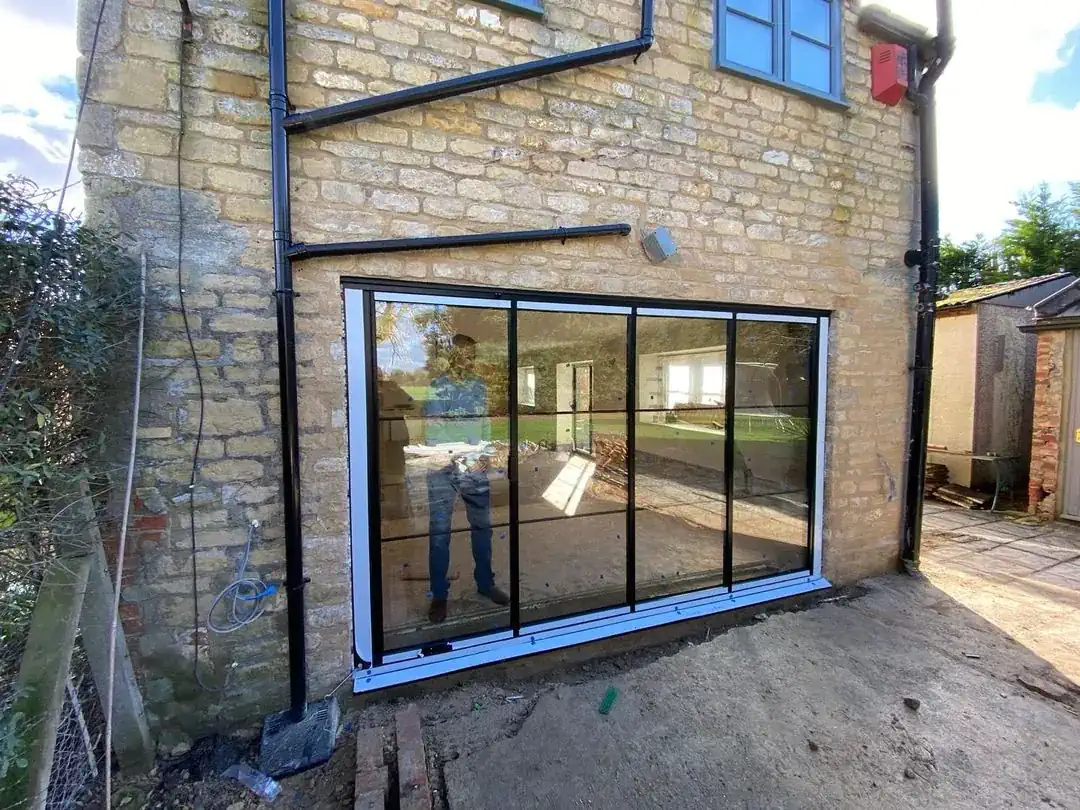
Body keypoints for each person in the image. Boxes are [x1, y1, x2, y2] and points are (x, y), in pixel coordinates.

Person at [423, 333, 509, 623]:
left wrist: (485, 456)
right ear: (451, 356)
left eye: (472, 355)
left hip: (475, 471)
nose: (468, 359)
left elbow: (484, 425)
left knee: (482, 529)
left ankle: (485, 584)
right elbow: (434, 432)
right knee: (439, 534)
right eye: (463, 354)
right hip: (443, 472)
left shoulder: (479, 387)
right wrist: (461, 455)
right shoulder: (438, 387)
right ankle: (439, 595)